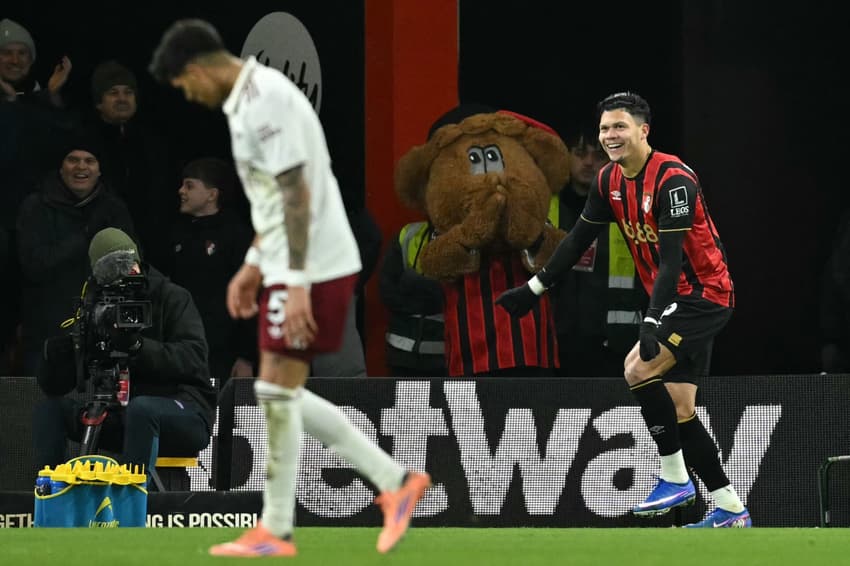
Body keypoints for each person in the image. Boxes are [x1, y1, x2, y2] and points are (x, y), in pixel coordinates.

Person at [149, 18, 431, 556]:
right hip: (292, 263)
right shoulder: (244, 107)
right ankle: (289, 523)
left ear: (201, 68)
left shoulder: (267, 102)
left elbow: (297, 194)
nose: (190, 97)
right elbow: (271, 202)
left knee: (277, 392)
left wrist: (296, 283)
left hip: (315, 265)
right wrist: (254, 266)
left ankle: (378, 487)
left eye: (186, 85)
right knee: (277, 394)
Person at [496, 92, 751, 528]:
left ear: (643, 131)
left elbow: (671, 259)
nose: (610, 136)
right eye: (604, 128)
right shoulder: (608, 180)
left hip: (704, 296)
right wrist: (534, 288)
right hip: (673, 301)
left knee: (636, 368)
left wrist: (651, 320)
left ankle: (675, 477)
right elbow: (577, 239)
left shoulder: (673, 180)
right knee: (680, 408)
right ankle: (729, 507)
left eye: (619, 127)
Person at [32, 228, 215, 479]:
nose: (126, 276)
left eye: (129, 266)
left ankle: (132, 496)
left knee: (142, 410)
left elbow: (194, 358)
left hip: (185, 411)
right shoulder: (99, 305)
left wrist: (137, 346)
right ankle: (51, 492)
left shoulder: (172, 297)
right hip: (123, 414)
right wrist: (67, 351)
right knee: (51, 411)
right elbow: (55, 386)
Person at [16, 133, 135, 376]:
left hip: (103, 332)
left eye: (89, 160)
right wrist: (86, 236)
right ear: (61, 168)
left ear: (99, 170)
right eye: (73, 159)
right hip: (47, 332)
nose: (81, 167)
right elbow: (34, 265)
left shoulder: (114, 208)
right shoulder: (36, 206)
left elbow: (132, 265)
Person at [550, 124, 646, 377]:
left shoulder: (630, 210)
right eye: (580, 153)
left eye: (599, 155)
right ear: (565, 156)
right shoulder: (543, 209)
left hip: (614, 347)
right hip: (554, 344)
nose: (589, 162)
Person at [167, 156, 256, 383]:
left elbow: (251, 297)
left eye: (189, 185)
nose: (181, 191)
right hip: (182, 350)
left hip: (223, 353)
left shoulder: (237, 236)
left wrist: (246, 357)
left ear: (211, 194)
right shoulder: (177, 234)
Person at [85, 59, 176, 268]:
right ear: (99, 102)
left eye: (128, 92)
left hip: (151, 248)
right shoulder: (85, 142)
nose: (122, 98)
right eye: (113, 93)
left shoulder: (153, 142)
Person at [379, 220, 446, 377]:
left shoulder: (466, 237)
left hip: (446, 356)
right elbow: (387, 290)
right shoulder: (408, 234)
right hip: (401, 353)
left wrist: (413, 283)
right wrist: (430, 292)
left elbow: (454, 297)